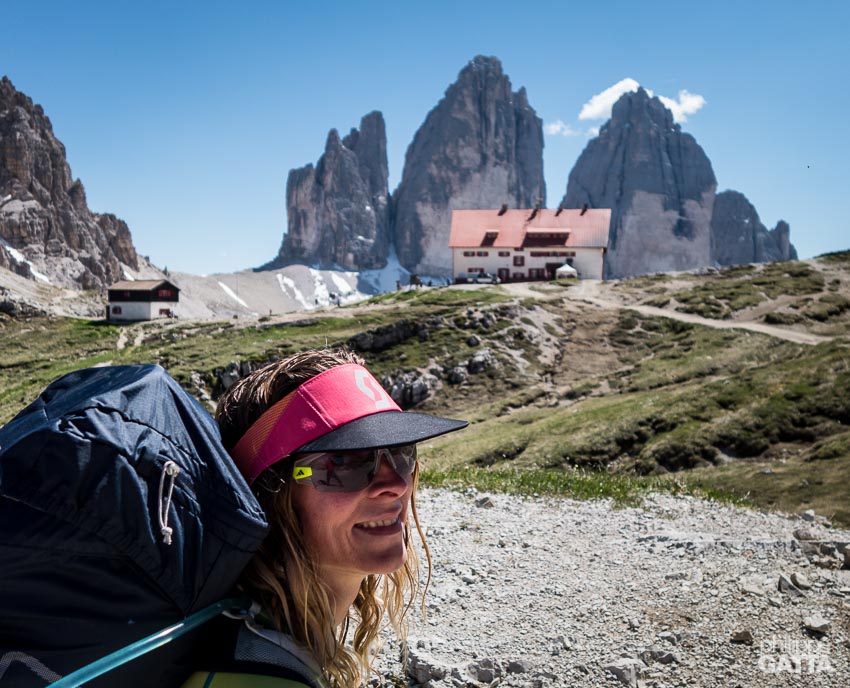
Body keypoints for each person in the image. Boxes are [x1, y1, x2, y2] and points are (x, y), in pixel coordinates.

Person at [184, 349, 467, 688]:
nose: (395, 483)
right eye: (343, 463)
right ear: (271, 496)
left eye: (401, 452)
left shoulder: (256, 641)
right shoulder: (258, 676)